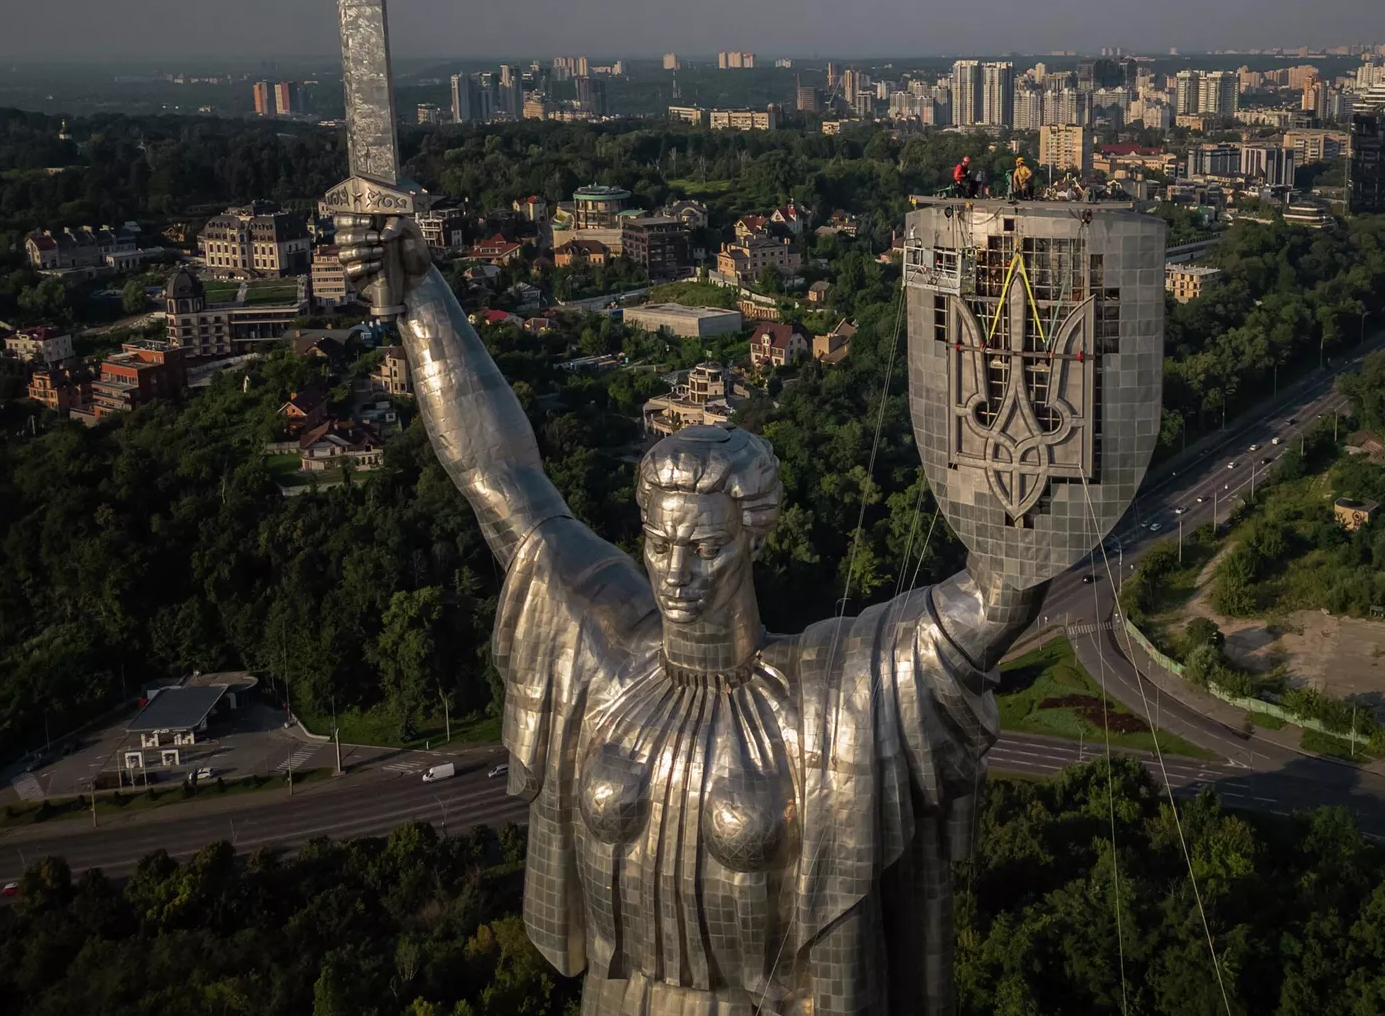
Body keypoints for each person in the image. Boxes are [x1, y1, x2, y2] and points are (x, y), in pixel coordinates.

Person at [336, 214, 1050, 1015]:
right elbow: (494, 472)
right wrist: (419, 293)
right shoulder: (600, 653)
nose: (676, 573)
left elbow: (998, 599)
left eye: (706, 547)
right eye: (661, 544)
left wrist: (1025, 380)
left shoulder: (828, 701)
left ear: (753, 540)